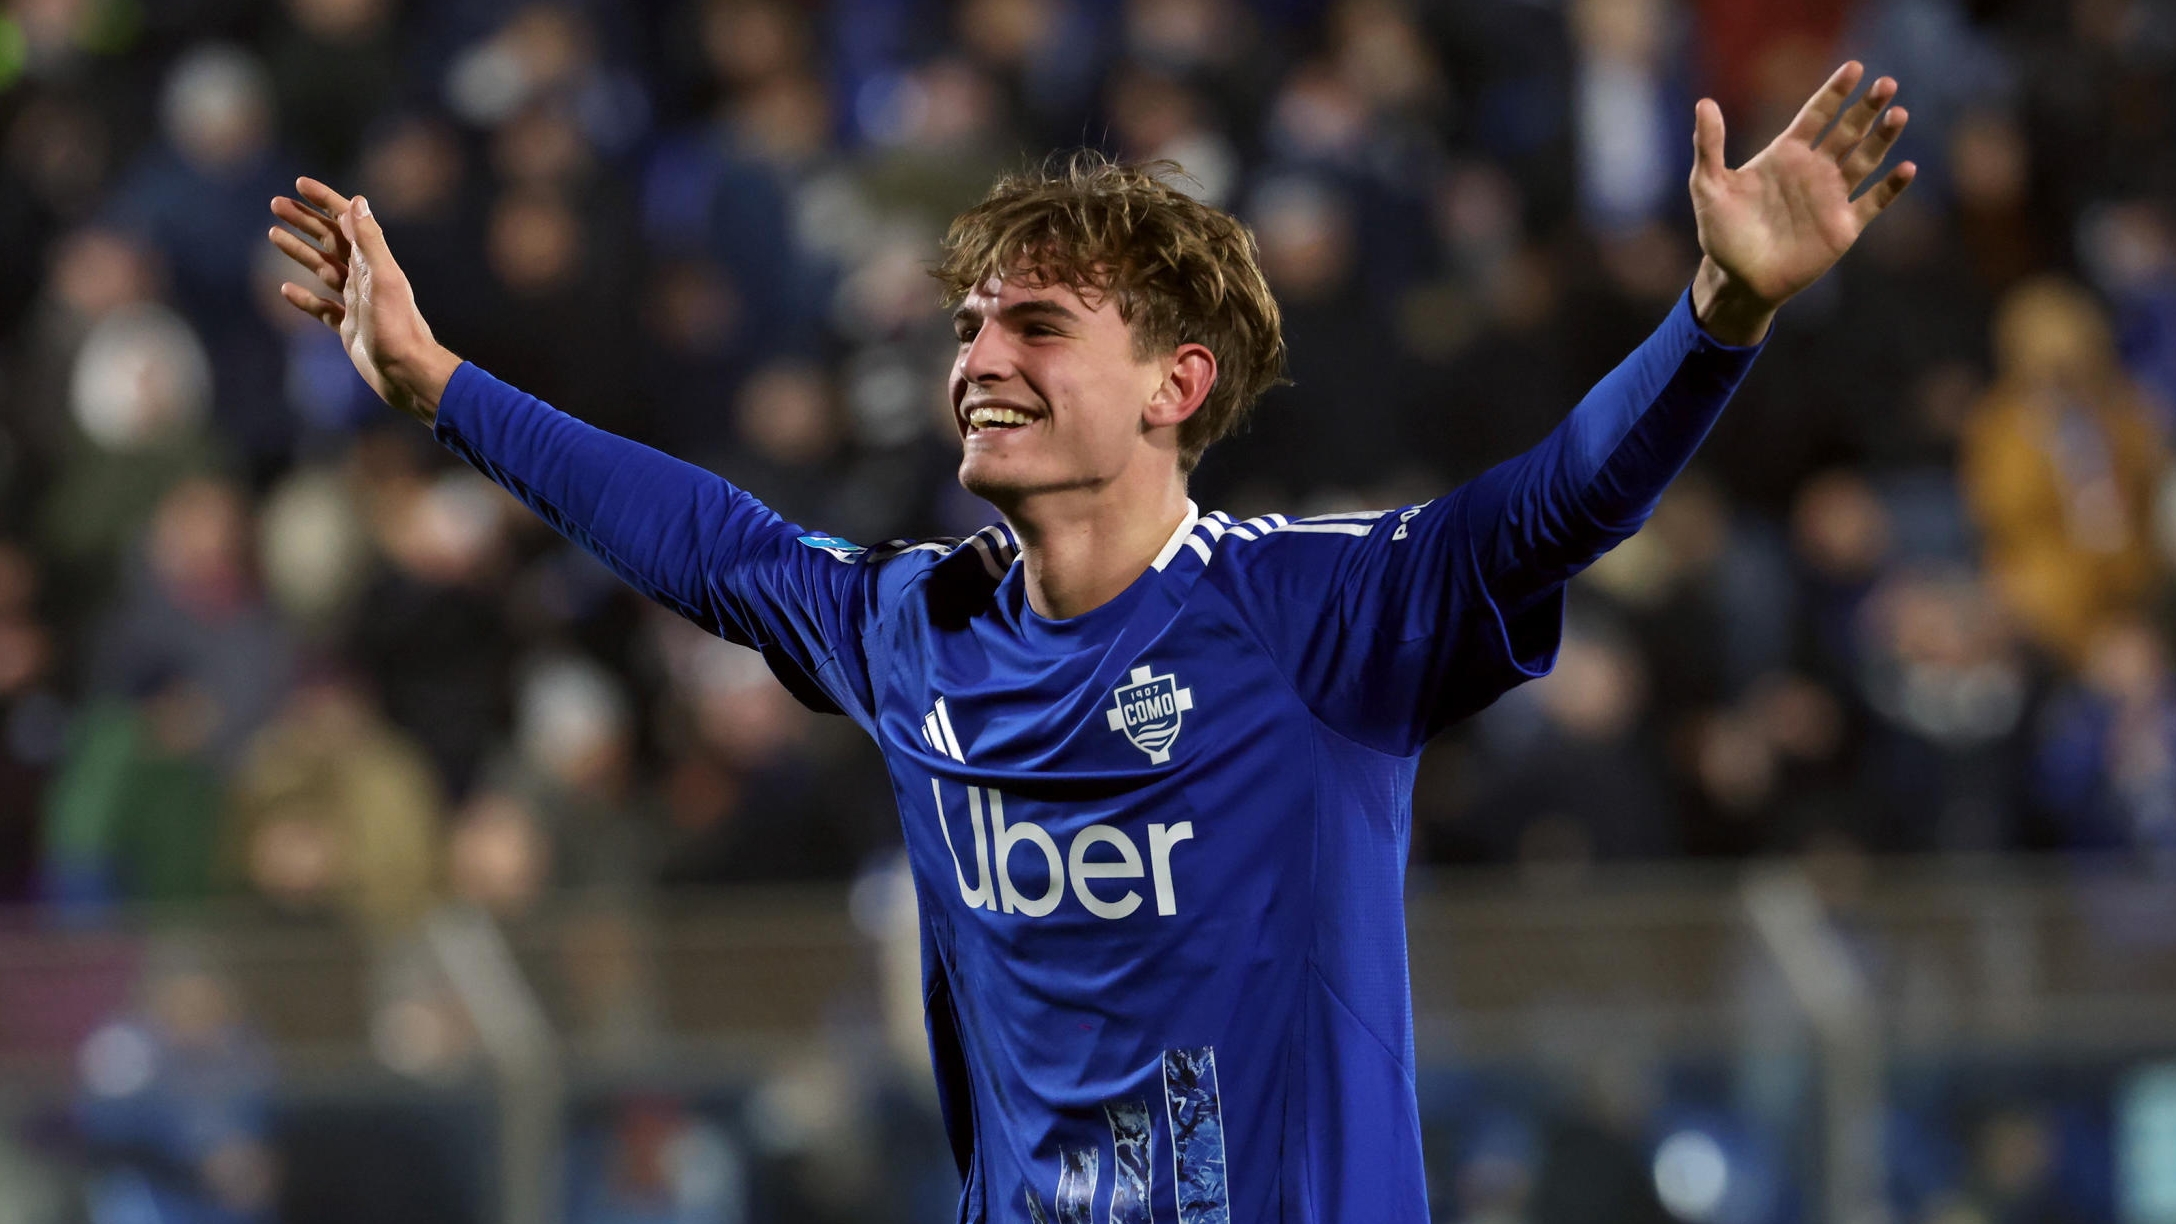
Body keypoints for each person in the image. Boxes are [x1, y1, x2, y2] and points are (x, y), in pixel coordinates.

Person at [268, 62, 1915, 1224]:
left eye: (1038, 324)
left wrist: (1719, 322)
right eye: (974, 322)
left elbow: (1551, 506)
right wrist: (440, 390)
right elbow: (708, 541)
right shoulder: (919, 630)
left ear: (1172, 387)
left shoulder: (1308, 624)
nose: (980, 353)